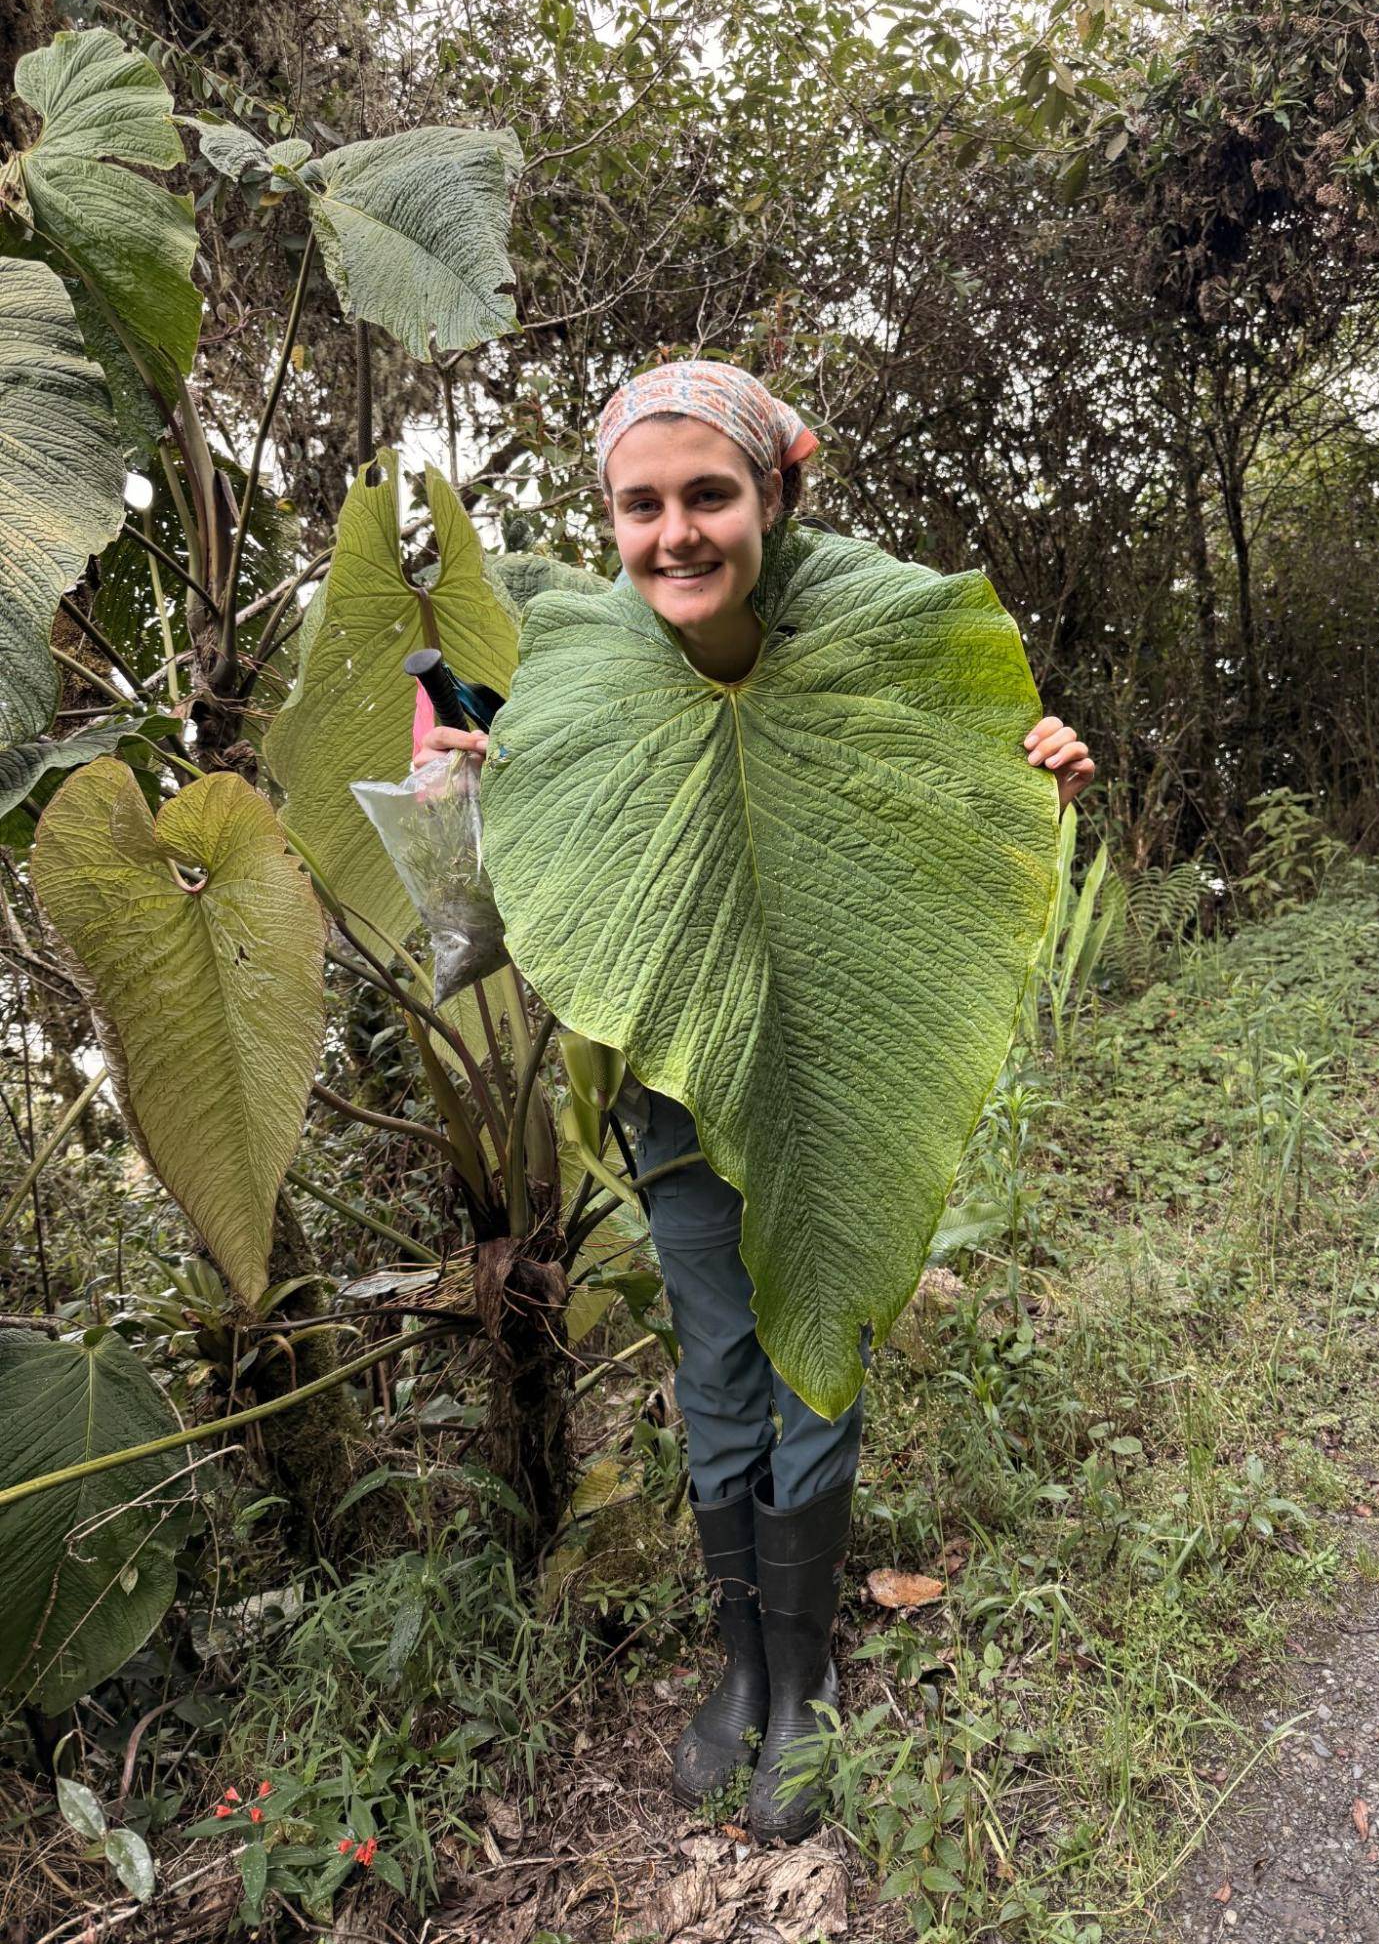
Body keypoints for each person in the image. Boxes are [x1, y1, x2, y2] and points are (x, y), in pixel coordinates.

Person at [416, 359, 1095, 1842]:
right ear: (609, 518)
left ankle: (805, 1685)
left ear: (775, 495)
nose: (676, 534)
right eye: (641, 505)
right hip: (675, 1088)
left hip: (839, 1060)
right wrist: (458, 783)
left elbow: (947, 771)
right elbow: (494, 871)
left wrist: (1028, 767)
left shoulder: (869, 615)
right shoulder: (582, 660)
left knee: (820, 1325)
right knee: (720, 1360)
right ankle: (744, 1670)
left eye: (709, 496)